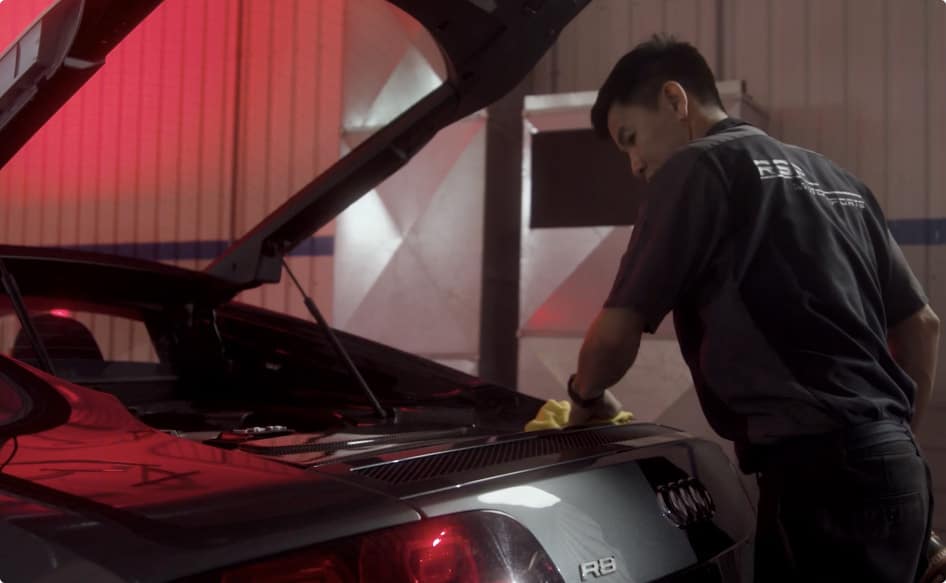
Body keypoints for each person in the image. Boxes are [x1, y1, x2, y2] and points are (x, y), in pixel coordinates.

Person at [566, 35, 940, 582]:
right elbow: (923, 326)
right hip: (897, 468)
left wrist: (585, 397)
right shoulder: (842, 182)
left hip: (815, 479)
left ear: (675, 101)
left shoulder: (698, 166)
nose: (634, 164)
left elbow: (617, 330)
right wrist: (888, 446)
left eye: (632, 139)